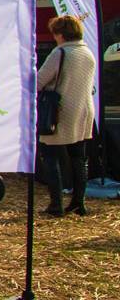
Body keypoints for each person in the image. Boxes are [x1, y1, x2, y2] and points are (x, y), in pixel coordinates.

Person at [38, 15, 96, 217]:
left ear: (61, 34)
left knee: (50, 156)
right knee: (79, 158)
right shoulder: (87, 52)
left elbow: (39, 81)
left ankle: (56, 205)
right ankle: (79, 202)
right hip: (84, 110)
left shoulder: (60, 53)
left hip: (60, 112)